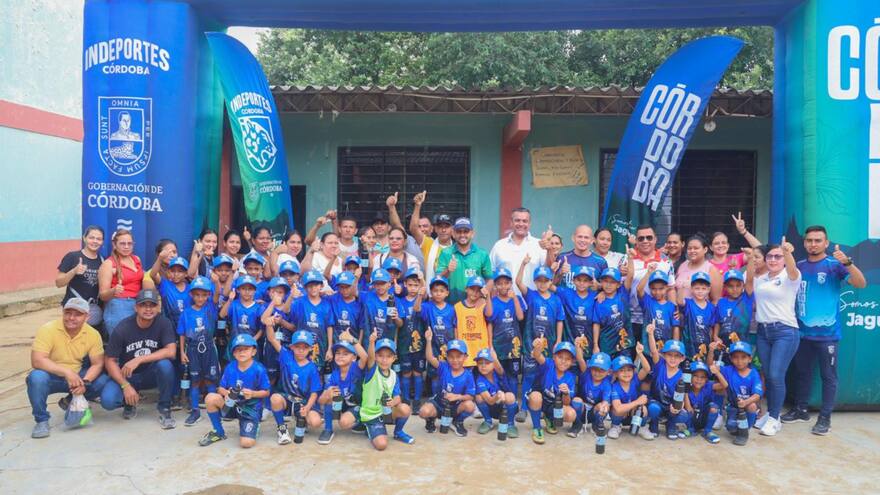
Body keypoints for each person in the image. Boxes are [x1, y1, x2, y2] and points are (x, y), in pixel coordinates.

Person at [783, 226, 866, 435]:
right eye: (809, 240)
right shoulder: (799, 266)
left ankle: (825, 418)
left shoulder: (834, 265)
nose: (813, 244)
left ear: (826, 243)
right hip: (802, 333)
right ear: (804, 243)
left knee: (828, 377)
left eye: (818, 240)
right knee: (802, 373)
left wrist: (848, 263)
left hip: (828, 335)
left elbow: (861, 283)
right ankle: (801, 409)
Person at [27, 298, 109, 439]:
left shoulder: (93, 334)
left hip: (77, 376)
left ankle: (70, 400)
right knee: (36, 377)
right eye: (68, 313)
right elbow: (37, 360)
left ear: (87, 317)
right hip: (52, 375)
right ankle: (41, 420)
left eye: (77, 314)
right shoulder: (48, 329)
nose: (71, 318)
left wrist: (85, 382)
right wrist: (66, 372)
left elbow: (97, 364)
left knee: (103, 380)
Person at [100, 289, 177, 429]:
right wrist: (125, 385)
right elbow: (109, 360)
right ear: (135, 307)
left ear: (158, 307)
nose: (148, 309)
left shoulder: (163, 323)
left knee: (165, 365)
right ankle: (129, 402)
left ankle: (165, 407)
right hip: (128, 375)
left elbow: (171, 351)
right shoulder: (123, 327)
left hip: (150, 374)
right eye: (143, 305)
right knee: (108, 401)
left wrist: (139, 359)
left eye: (152, 305)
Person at [752, 238, 801, 437]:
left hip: (785, 331)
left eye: (777, 256)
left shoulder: (790, 277)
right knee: (768, 374)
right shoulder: (760, 278)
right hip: (763, 332)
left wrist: (787, 252)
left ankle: (774, 418)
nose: (773, 259)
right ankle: (771, 415)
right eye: (770, 256)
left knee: (775, 375)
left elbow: (792, 269)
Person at [198, 333, 270, 448]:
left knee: (246, 444)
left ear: (253, 351)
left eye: (246, 349)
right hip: (231, 405)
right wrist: (226, 393)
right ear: (234, 353)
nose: (242, 352)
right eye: (238, 350)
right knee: (210, 398)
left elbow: (266, 392)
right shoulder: (230, 367)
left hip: (250, 410)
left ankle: (252, 426)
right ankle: (218, 432)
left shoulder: (259, 369)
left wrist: (253, 393)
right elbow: (220, 388)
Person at [516, 262, 565, 420]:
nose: (542, 284)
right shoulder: (531, 295)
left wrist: (558, 340)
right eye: (539, 280)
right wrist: (523, 264)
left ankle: (542, 406)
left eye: (546, 280)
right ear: (535, 281)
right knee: (529, 375)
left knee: (545, 375)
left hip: (549, 345)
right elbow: (518, 282)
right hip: (530, 343)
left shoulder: (556, 300)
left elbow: (560, 320)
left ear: (551, 281)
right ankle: (524, 407)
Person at [267, 329, 323, 445]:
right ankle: (282, 429)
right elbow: (272, 339)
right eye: (297, 347)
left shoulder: (312, 368)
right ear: (291, 347)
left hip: (303, 402)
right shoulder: (286, 357)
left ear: (310, 348)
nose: (301, 350)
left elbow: (314, 392)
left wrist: (307, 407)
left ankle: (301, 419)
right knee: (275, 398)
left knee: (316, 422)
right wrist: (268, 325)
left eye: (305, 347)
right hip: (287, 399)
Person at [177, 277, 220, 426]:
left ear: (208, 295)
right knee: (194, 381)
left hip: (209, 347)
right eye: (197, 295)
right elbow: (182, 333)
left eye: (203, 295)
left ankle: (215, 407)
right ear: (191, 295)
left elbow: (217, 295)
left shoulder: (210, 308)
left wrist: (216, 282)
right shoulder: (186, 313)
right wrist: (182, 352)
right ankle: (195, 411)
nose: (200, 298)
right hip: (193, 349)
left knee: (210, 379)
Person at [360, 333, 415, 448]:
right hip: (371, 415)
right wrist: (371, 342)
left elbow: (397, 397)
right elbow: (370, 358)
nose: (384, 360)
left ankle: (398, 432)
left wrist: (394, 402)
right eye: (380, 356)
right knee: (382, 445)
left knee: (405, 408)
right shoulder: (373, 370)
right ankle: (368, 426)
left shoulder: (394, 375)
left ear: (394, 358)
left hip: (385, 412)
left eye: (389, 356)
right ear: (376, 357)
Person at [626, 225, 675, 345]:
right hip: (630, 317)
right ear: (636, 241)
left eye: (649, 237)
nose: (645, 241)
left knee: (654, 354)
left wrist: (674, 309)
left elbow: (671, 288)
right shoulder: (627, 259)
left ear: (655, 239)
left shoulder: (666, 261)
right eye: (641, 238)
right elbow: (618, 286)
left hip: (657, 317)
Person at [708, 341, 763, 446]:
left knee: (752, 406)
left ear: (750, 359)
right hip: (733, 406)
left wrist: (745, 402)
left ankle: (744, 432)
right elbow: (712, 366)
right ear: (731, 359)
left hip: (746, 406)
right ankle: (735, 425)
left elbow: (757, 395)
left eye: (743, 357)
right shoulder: (728, 370)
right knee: (731, 427)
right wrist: (711, 351)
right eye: (736, 357)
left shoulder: (754, 374)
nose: (739, 361)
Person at [317, 332, 368, 445]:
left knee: (344, 423)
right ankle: (328, 430)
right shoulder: (334, 375)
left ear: (354, 357)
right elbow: (321, 401)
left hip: (359, 405)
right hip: (344, 404)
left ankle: (363, 422)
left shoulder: (356, 368)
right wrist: (327, 394)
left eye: (345, 354)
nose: (340, 356)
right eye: (338, 353)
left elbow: (365, 357)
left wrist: (352, 339)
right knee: (330, 395)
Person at [419, 336, 475, 437]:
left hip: (455, 407)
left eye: (458, 356)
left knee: (470, 406)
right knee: (423, 412)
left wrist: (457, 396)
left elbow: (470, 396)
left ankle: (457, 421)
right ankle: (431, 419)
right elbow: (430, 358)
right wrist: (428, 340)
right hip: (439, 404)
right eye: (451, 357)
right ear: (447, 357)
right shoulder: (444, 367)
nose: (455, 360)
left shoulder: (468, 375)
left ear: (465, 357)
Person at [98, 229, 150, 335]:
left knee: (137, 341)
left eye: (129, 243)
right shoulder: (108, 264)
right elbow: (102, 295)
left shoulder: (136, 259)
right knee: (122, 342)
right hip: (118, 305)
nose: (126, 247)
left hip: (138, 304)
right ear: (114, 245)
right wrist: (113, 291)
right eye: (122, 243)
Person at [526, 340, 578, 445]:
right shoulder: (549, 364)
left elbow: (566, 403)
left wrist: (566, 393)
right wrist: (537, 347)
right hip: (538, 399)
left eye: (567, 359)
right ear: (554, 357)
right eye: (560, 357)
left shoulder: (570, 377)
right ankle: (537, 428)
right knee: (536, 397)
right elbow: (537, 355)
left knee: (571, 414)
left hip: (552, 405)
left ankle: (549, 418)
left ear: (572, 362)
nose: (563, 361)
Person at [490, 207, 547, 296]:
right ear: (511, 222)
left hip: (532, 301)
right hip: (506, 301)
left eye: (525, 221)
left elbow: (549, 272)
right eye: (517, 220)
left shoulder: (539, 245)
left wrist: (550, 250)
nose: (521, 224)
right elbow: (491, 273)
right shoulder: (499, 245)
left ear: (529, 223)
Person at [485, 267, 524, 397]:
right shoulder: (494, 302)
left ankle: (512, 401)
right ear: (495, 285)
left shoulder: (517, 299)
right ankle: (501, 401)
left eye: (506, 283)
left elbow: (520, 317)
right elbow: (490, 322)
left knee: (513, 376)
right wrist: (490, 345)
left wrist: (514, 299)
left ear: (511, 283)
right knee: (499, 374)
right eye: (500, 283)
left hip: (514, 347)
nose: (503, 286)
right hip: (499, 345)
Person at [56, 226, 105, 329]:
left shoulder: (103, 261)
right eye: (91, 237)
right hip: (74, 309)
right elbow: (58, 283)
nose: (95, 241)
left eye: (98, 239)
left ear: (102, 242)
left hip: (93, 310)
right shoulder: (72, 257)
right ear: (84, 238)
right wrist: (74, 271)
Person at [436, 217, 493, 304]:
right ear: (453, 234)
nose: (462, 235)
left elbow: (489, 280)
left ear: (472, 233)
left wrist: (482, 297)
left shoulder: (482, 254)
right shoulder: (445, 253)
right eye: (459, 231)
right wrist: (448, 270)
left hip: (475, 306)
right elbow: (437, 279)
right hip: (451, 306)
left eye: (466, 231)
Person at [645, 339, 689, 440]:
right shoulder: (659, 365)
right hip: (657, 402)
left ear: (682, 358)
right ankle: (654, 424)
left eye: (677, 356)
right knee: (653, 408)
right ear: (664, 355)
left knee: (683, 415)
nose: (672, 358)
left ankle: (671, 425)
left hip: (670, 406)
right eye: (669, 355)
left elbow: (681, 395)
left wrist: (678, 406)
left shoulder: (682, 376)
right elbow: (654, 351)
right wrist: (650, 334)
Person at [420, 276, 457, 396]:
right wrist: (420, 295)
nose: (438, 293)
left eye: (441, 291)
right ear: (431, 292)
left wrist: (456, 342)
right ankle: (435, 398)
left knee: (448, 373)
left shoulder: (452, 309)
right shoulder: (427, 306)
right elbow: (417, 309)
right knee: (435, 374)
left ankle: (447, 398)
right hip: (433, 345)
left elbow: (455, 327)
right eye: (435, 291)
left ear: (447, 293)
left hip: (448, 346)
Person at [397, 269, 427, 406]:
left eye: (416, 285)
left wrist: (422, 281)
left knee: (418, 373)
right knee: (406, 373)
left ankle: (417, 401)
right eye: (410, 285)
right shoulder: (400, 301)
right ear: (405, 284)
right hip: (404, 343)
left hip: (419, 344)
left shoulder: (423, 301)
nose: (413, 288)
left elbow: (424, 292)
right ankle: (406, 399)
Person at [409, 191, 453, 281]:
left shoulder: (457, 249)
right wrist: (417, 205)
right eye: (440, 227)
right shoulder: (429, 243)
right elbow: (414, 229)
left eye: (446, 227)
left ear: (452, 229)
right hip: (429, 288)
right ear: (435, 229)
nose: (443, 230)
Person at [473, 348, 518, 436]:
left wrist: (495, 358)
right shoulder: (480, 380)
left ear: (493, 364)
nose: (483, 366)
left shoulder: (498, 373)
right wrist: (497, 396)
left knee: (510, 396)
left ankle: (510, 424)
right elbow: (489, 401)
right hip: (492, 407)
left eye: (487, 363)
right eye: (480, 363)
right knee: (478, 397)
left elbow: (499, 368)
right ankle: (488, 421)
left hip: (507, 407)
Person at [592, 267, 634, 359]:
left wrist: (630, 259)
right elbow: (596, 324)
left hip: (625, 344)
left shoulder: (622, 293)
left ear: (618, 284)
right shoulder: (599, 301)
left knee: (625, 366)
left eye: (612, 282)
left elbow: (630, 275)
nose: (608, 285)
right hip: (607, 345)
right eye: (605, 281)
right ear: (601, 282)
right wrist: (595, 345)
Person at [570, 350, 614, 439]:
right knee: (576, 400)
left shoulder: (606, 384)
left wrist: (604, 407)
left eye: (602, 370)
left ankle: (597, 425)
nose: (597, 373)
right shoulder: (586, 375)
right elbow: (580, 359)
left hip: (595, 413)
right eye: (595, 369)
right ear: (590, 368)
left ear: (608, 372)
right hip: (581, 411)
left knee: (604, 406)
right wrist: (577, 347)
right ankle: (577, 425)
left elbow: (606, 401)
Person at [676, 272, 718, 363]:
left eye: (703, 288)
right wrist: (682, 287)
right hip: (688, 346)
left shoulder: (711, 308)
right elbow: (679, 301)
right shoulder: (688, 303)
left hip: (704, 346)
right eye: (697, 288)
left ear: (709, 289)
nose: (700, 291)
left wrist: (711, 343)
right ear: (691, 289)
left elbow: (711, 328)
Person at [683, 360, 728, 444]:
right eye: (695, 376)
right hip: (691, 417)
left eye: (702, 377)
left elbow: (725, 385)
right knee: (683, 408)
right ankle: (690, 429)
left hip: (704, 418)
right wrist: (688, 405)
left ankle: (707, 431)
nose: (699, 379)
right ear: (689, 376)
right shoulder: (686, 386)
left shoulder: (709, 386)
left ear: (706, 379)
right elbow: (687, 406)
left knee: (713, 407)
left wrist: (717, 373)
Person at [636, 268, 680, 353]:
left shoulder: (672, 306)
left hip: (665, 349)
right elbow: (639, 289)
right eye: (654, 289)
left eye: (661, 288)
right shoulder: (647, 301)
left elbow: (675, 327)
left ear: (667, 287)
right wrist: (648, 273)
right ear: (649, 288)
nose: (657, 292)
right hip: (647, 348)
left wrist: (675, 347)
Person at [609, 354, 652, 440]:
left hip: (634, 415)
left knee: (643, 409)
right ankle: (615, 426)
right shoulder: (615, 387)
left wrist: (640, 354)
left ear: (633, 371)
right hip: (620, 416)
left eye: (629, 370)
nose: (626, 373)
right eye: (622, 370)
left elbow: (647, 369)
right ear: (616, 373)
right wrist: (637, 402)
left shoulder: (635, 379)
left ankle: (642, 427)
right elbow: (618, 408)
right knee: (616, 409)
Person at [555, 225, 608, 289]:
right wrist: (560, 273)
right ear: (573, 238)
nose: (582, 240)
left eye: (586, 237)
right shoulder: (562, 258)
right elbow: (551, 284)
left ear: (592, 240)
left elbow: (607, 288)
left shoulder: (601, 262)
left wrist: (598, 286)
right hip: (564, 295)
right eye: (580, 237)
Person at [455, 276, 490, 368]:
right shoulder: (457, 307)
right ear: (466, 289)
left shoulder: (484, 305)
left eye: (478, 290)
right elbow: (455, 328)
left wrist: (487, 296)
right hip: (465, 354)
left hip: (481, 353)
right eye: (472, 289)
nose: (475, 292)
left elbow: (489, 314)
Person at [674, 234, 722, 302]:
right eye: (689, 248)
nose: (692, 251)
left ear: (705, 249)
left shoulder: (711, 270)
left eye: (696, 248)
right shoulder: (682, 265)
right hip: (679, 308)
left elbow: (715, 300)